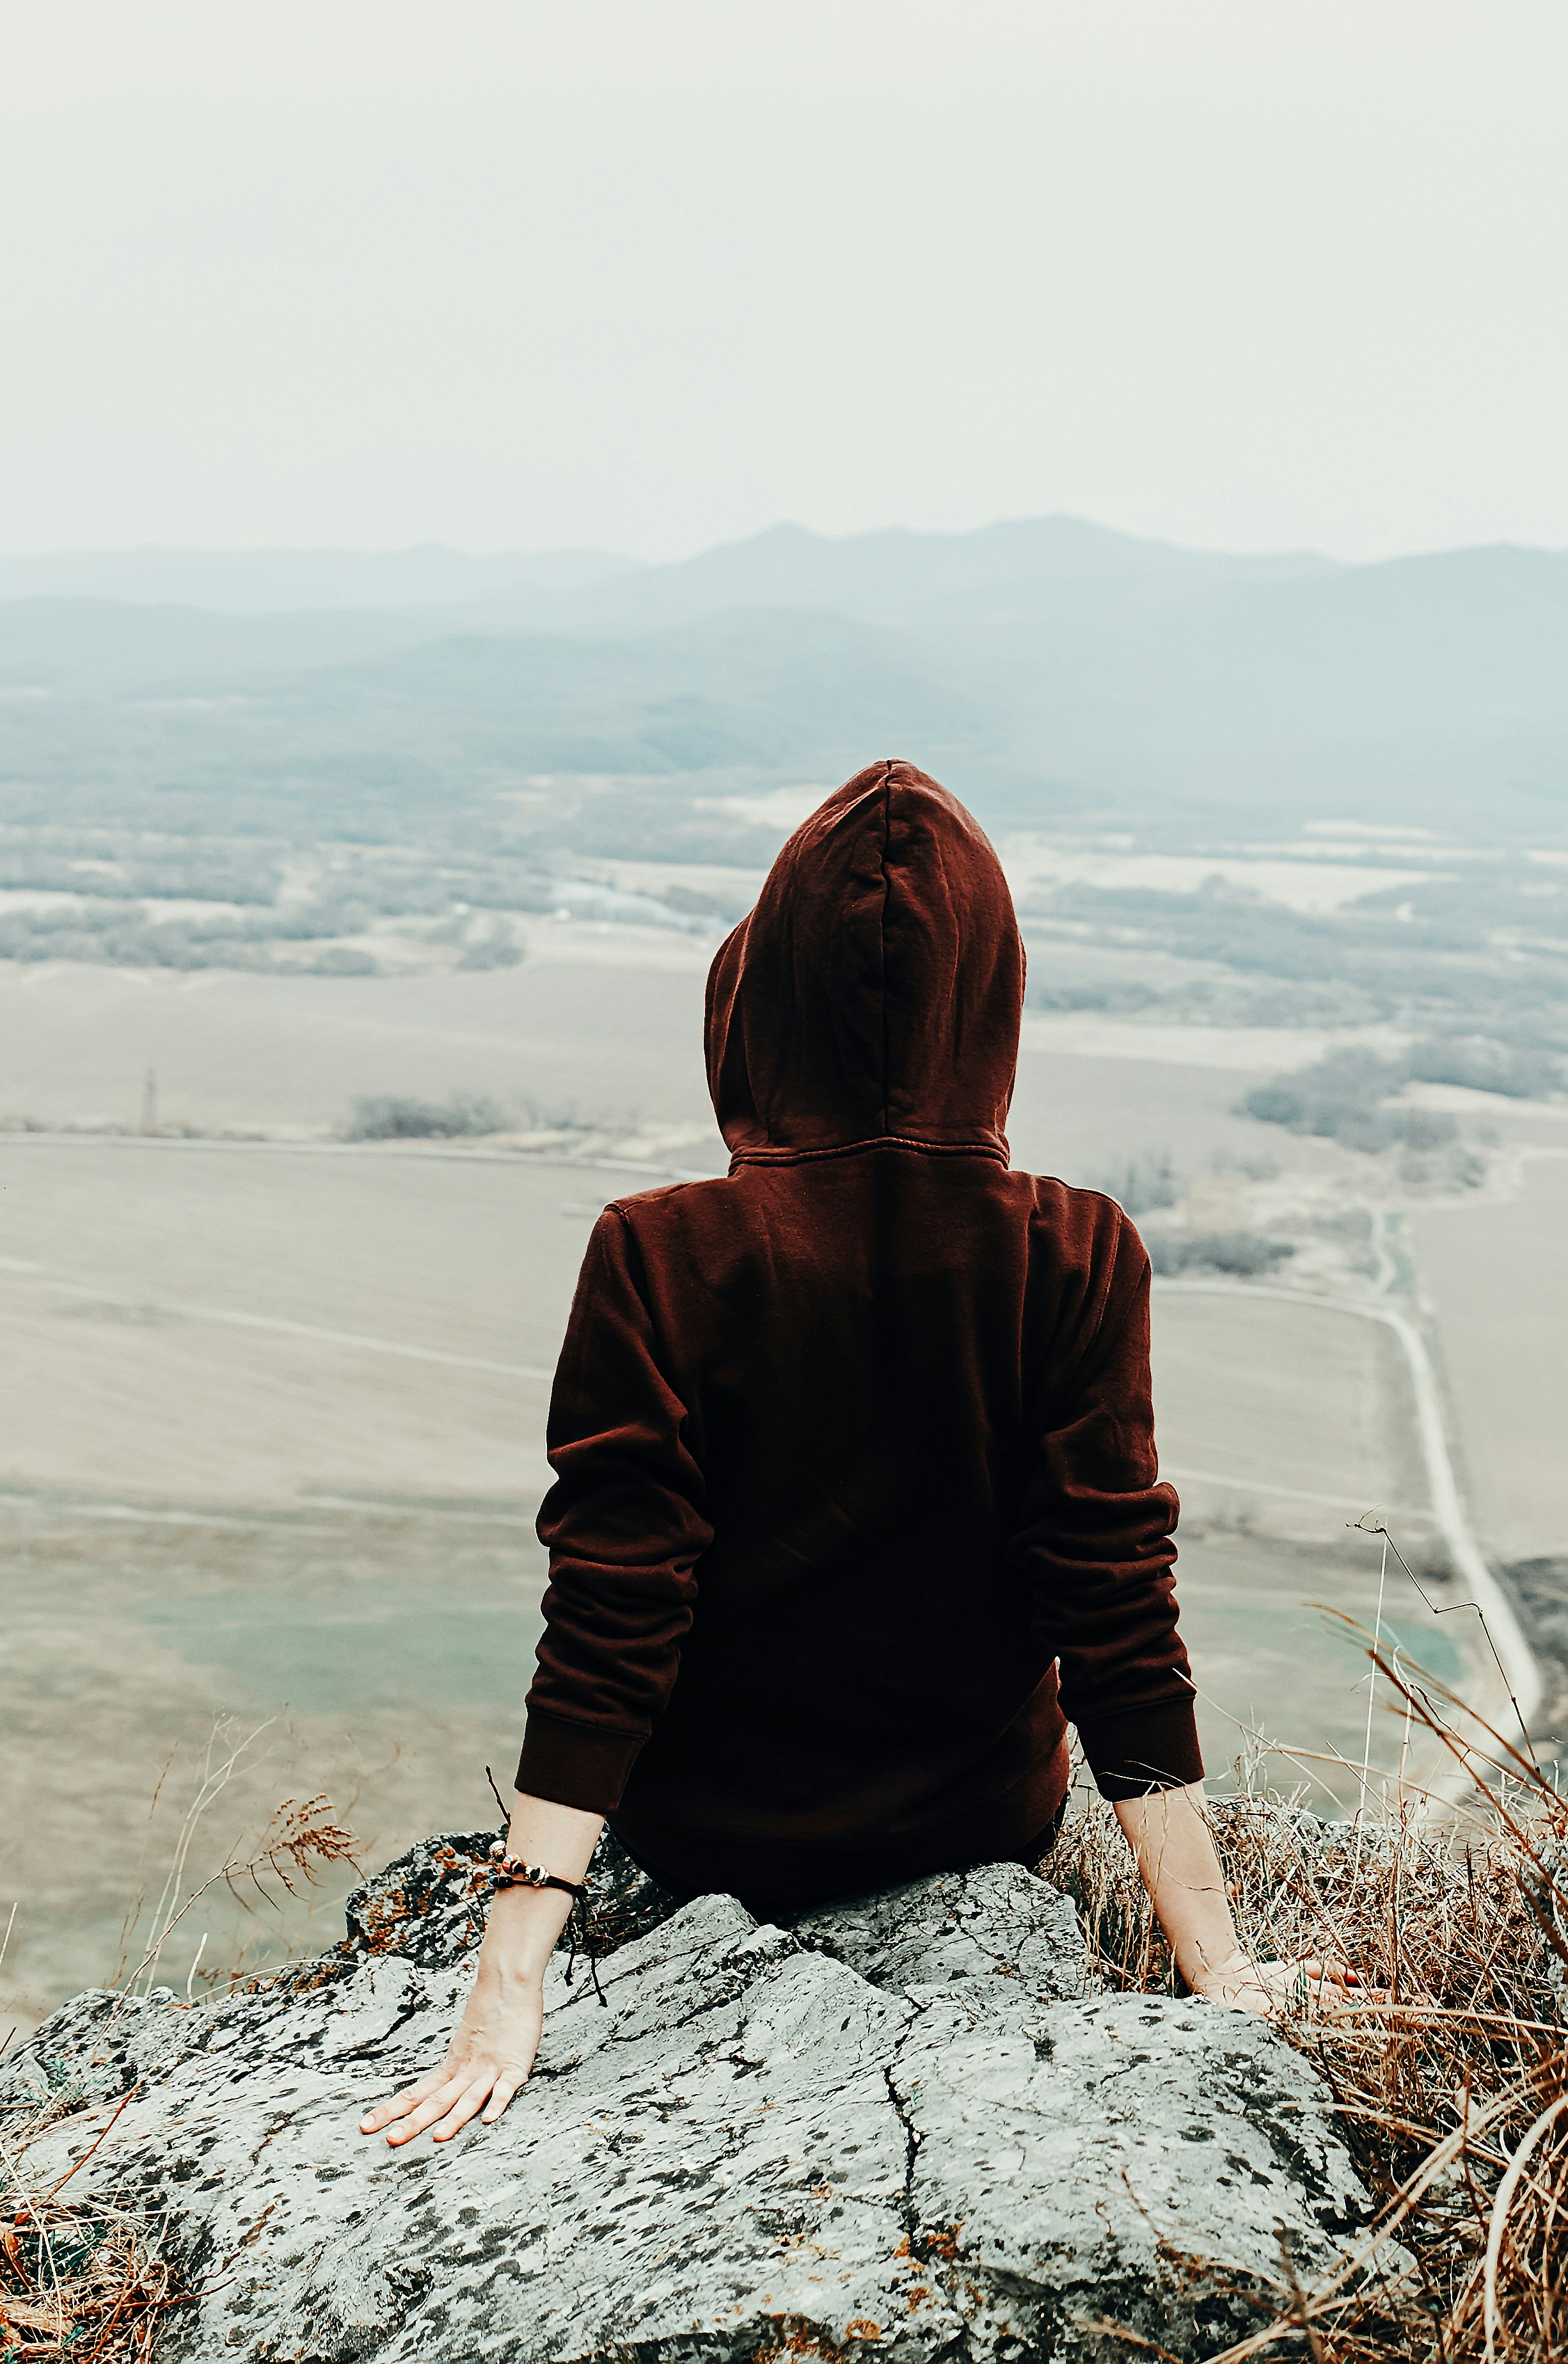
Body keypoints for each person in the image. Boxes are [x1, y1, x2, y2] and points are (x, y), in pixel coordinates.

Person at [363, 759, 1310, 2148]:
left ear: (763, 999)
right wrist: (1217, 1964)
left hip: (709, 1841)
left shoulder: (659, 1251)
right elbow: (1115, 1607)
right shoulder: (1074, 1247)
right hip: (976, 1824)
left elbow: (614, 1611)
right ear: (990, 1003)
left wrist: (513, 1978)